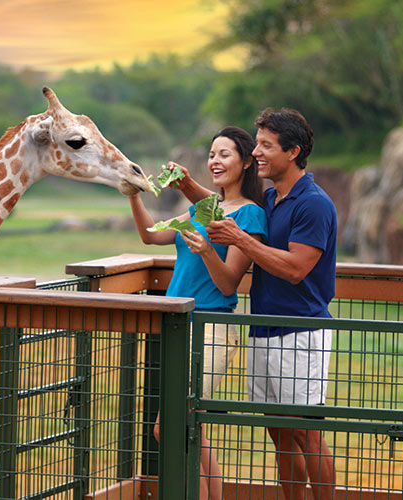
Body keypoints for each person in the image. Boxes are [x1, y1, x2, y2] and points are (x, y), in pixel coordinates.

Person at [180, 108, 337, 500]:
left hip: (301, 332)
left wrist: (243, 241)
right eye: (257, 145)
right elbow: (228, 209)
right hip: (264, 329)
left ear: (293, 151)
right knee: (279, 433)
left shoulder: (313, 204)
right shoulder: (272, 199)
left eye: (266, 146)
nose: (257, 154)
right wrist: (187, 187)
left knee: (307, 432)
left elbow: (297, 268)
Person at [129, 126, 268, 500]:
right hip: (178, 325)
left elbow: (228, 285)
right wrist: (133, 193)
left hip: (212, 328)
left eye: (224, 154)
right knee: (190, 426)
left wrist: (207, 250)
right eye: (212, 154)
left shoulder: (251, 216)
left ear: (245, 163)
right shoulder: (201, 208)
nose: (215, 161)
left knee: (171, 425)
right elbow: (151, 235)